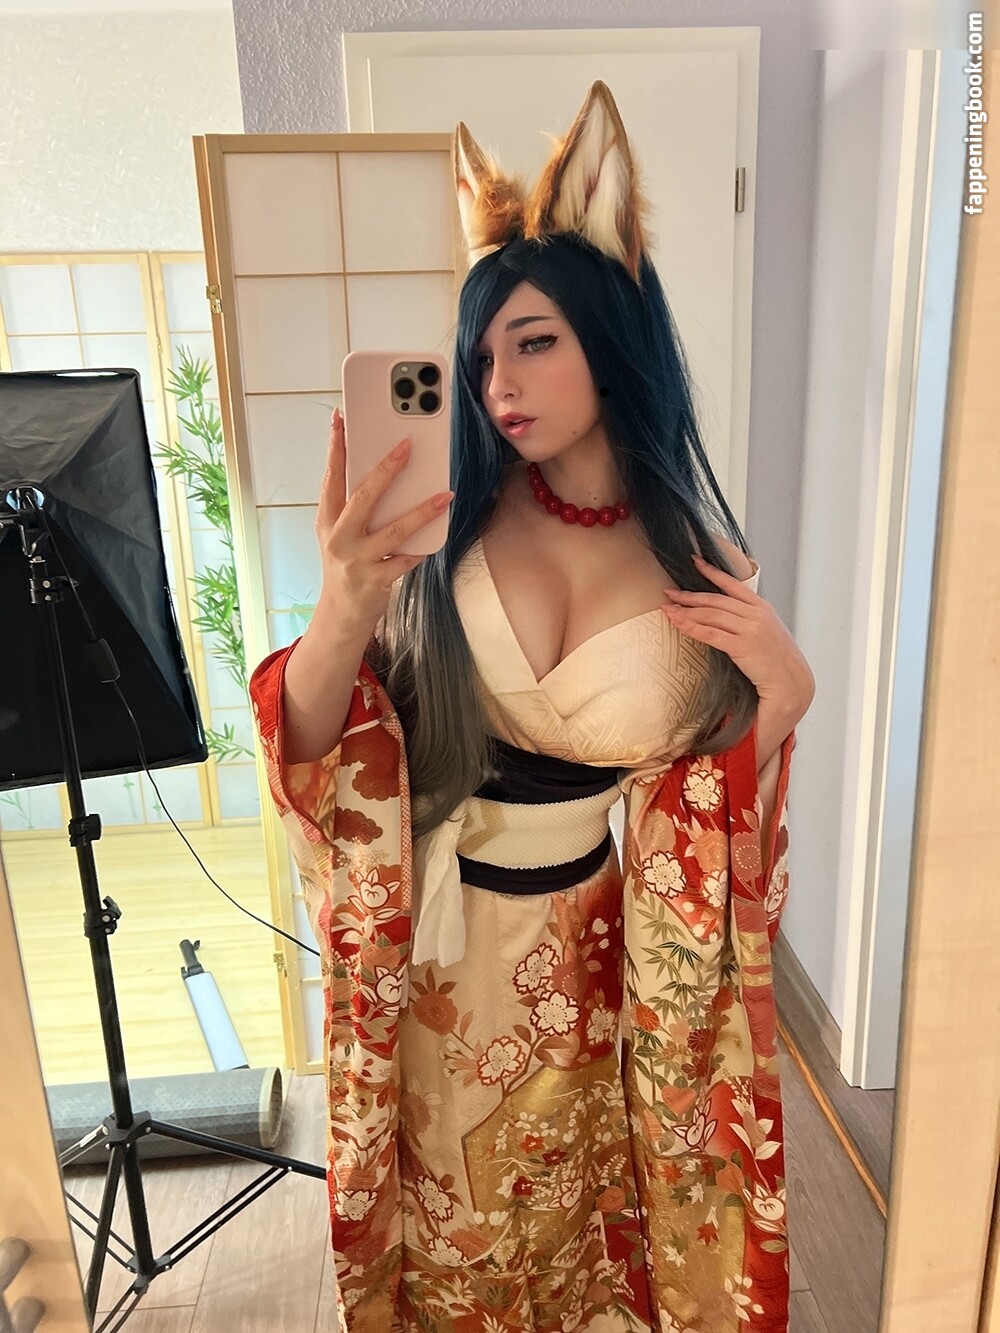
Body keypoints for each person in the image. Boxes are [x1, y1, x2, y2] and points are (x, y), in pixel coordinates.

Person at [249, 81, 814, 1333]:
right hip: (438, 956)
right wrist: (343, 605)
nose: (497, 381)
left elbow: (699, 806)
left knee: (583, 1229)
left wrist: (785, 691)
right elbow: (325, 760)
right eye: (480, 356)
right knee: (457, 1234)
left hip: (602, 968)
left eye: (534, 342)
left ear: (612, 334)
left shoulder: (694, 560)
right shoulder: (439, 531)